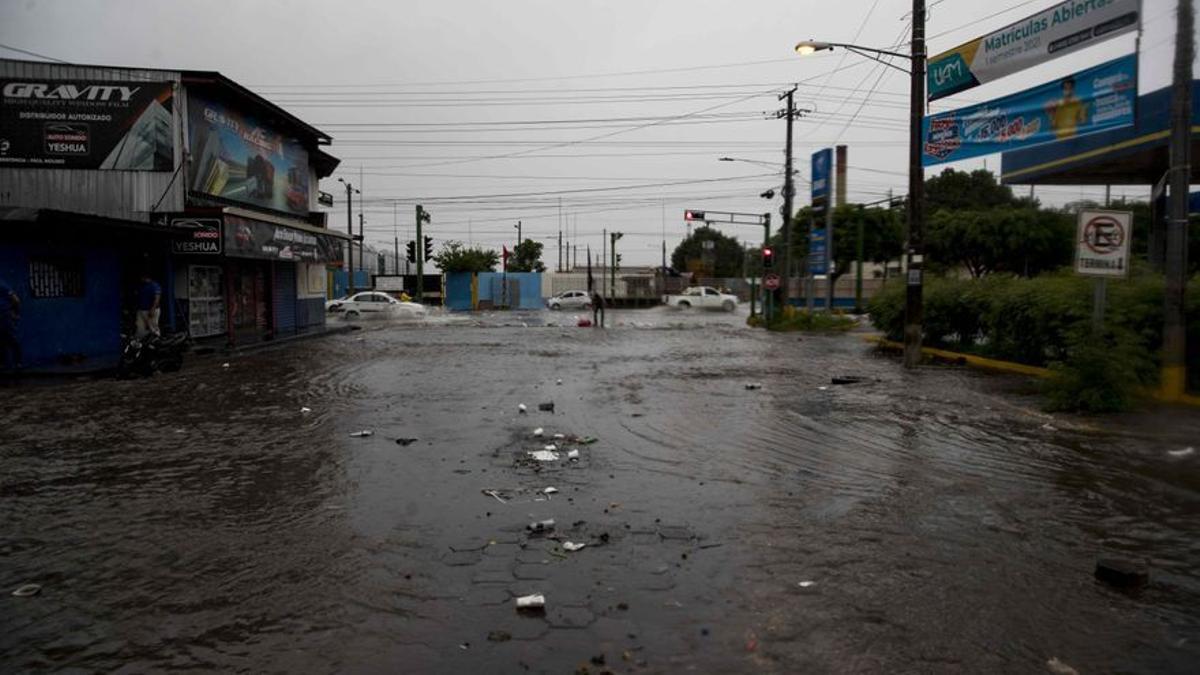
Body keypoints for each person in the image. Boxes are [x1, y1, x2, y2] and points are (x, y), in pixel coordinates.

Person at [1044, 76, 1088, 140]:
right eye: (1065, 88)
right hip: (1059, 139)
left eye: (1070, 88)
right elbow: (1052, 128)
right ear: (1062, 90)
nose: (1068, 90)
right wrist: (1051, 116)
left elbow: (1082, 121)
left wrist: (1084, 112)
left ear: (1073, 88)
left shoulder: (1078, 102)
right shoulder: (1056, 105)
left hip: (1073, 138)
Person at [0, 276, 20, 371]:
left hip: (4, 315)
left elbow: (15, 299)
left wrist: (15, 312)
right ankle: (4, 363)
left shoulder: (2, 284)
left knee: (11, 337)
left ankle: (18, 362)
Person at [135, 272, 162, 338]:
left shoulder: (154, 285)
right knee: (140, 329)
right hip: (141, 310)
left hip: (151, 310)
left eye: (142, 277)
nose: (140, 279)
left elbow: (157, 298)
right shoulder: (141, 286)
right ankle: (143, 345)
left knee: (153, 328)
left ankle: (156, 343)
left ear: (146, 277)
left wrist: (152, 309)